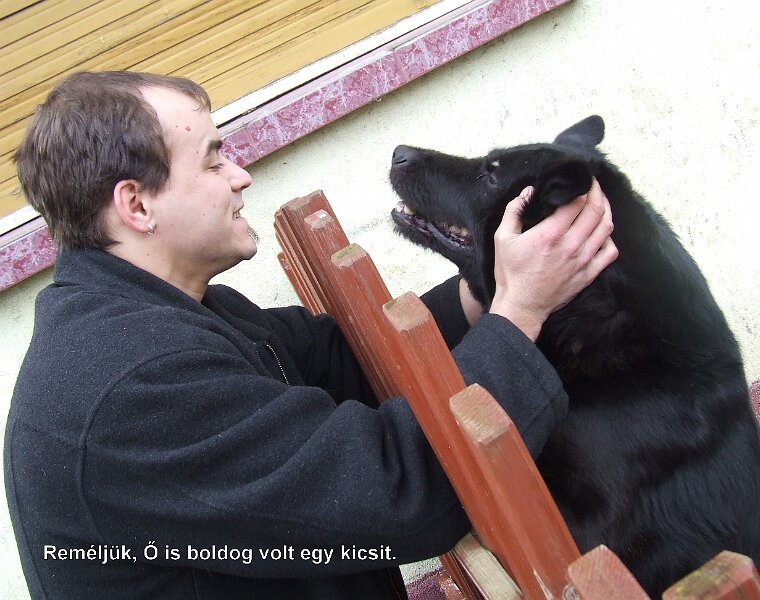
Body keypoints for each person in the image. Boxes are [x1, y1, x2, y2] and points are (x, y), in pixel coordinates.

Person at [4, 71, 617, 599]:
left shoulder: (162, 314)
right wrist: (520, 311)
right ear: (137, 207)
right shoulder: (135, 387)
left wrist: (484, 293)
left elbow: (346, 361)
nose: (240, 176)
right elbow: (404, 494)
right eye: (213, 160)